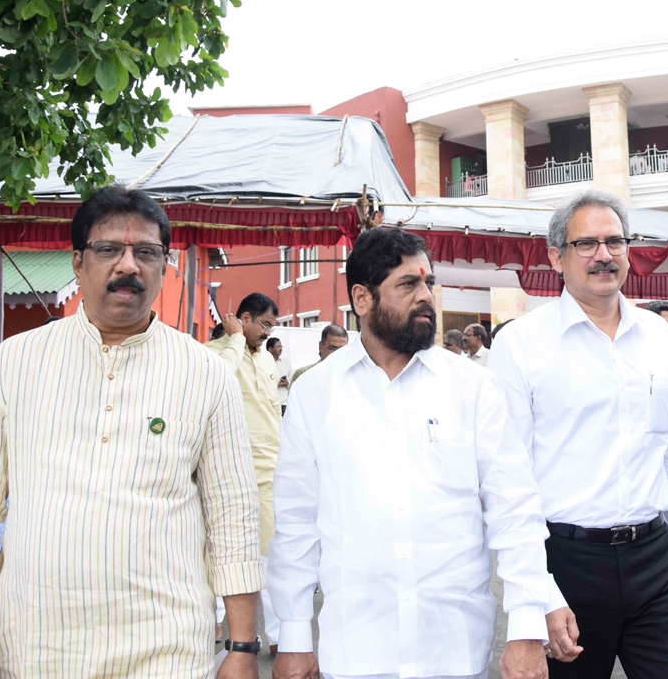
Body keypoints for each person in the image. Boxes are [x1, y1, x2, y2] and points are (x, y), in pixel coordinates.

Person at [0, 185, 263, 678]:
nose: (128, 266)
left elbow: (233, 517)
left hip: (165, 650)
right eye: (109, 250)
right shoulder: (13, 363)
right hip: (35, 648)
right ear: (78, 263)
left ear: (163, 265)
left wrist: (241, 647)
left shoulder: (206, 372)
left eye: (146, 252)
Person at [269, 227, 551, 679]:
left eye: (429, 284)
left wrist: (525, 628)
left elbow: (514, 511)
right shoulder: (316, 393)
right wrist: (294, 636)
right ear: (362, 299)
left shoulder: (472, 387)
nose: (426, 297)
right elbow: (297, 524)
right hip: (357, 650)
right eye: (408, 284)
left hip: (454, 650)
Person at [489, 189, 668, 678]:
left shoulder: (657, 336)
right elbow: (507, 480)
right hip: (566, 565)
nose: (603, 255)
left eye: (615, 241)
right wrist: (537, 595)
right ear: (556, 256)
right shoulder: (523, 344)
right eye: (586, 244)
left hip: (656, 560)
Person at [208, 292, 284, 651]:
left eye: (273, 325)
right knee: (223, 552)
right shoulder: (214, 352)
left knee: (271, 556)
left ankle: (279, 639)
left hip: (270, 467)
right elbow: (220, 374)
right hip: (228, 468)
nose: (268, 332)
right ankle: (215, 626)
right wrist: (236, 337)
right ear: (244, 317)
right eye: (264, 324)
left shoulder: (268, 359)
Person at [268, 336, 290, 416]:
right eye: (278, 346)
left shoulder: (286, 363)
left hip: (283, 402)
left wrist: (287, 383)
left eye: (281, 346)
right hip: (269, 403)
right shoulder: (264, 363)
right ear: (270, 349)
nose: (280, 348)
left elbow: (293, 381)